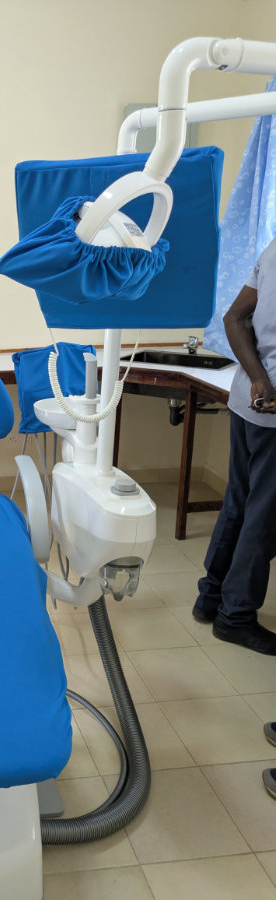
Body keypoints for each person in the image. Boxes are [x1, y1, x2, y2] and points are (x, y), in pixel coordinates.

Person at [192, 237, 276, 655]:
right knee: (264, 518)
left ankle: (211, 599)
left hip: (249, 399)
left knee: (239, 503)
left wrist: (259, 379)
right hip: (272, 413)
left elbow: (234, 317)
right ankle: (236, 617)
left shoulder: (273, 248)